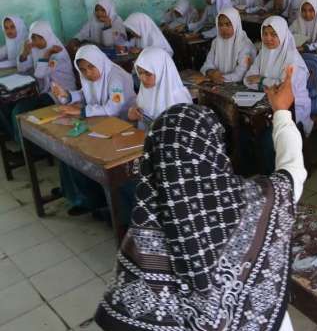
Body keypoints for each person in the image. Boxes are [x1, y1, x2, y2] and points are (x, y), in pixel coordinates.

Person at [95, 70, 308, 331]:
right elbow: (293, 170)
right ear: (215, 152)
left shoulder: (142, 256)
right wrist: (282, 114)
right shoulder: (253, 205)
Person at [51, 45, 136, 216]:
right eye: (82, 69)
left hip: (123, 128)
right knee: (69, 149)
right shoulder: (88, 77)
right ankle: (81, 196)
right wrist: (67, 96)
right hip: (100, 124)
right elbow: (84, 94)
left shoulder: (115, 76)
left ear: (99, 62)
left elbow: (113, 108)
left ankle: (92, 199)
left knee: (85, 152)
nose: (88, 73)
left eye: (91, 67)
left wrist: (81, 111)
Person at [8, 21, 77, 143]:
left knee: (19, 110)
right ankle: (21, 143)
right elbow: (23, 69)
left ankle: (30, 148)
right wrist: (25, 53)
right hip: (44, 90)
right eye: (33, 38)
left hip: (61, 93)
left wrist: (47, 54)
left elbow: (39, 73)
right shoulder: (36, 49)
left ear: (47, 36)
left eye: (40, 38)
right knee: (9, 105)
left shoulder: (57, 53)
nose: (35, 42)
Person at [127, 47, 192, 130]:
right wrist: (132, 115)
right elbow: (140, 121)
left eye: (148, 73)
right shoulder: (145, 90)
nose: (142, 78)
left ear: (161, 71)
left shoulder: (180, 99)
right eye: (139, 73)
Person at [200, 7, 256, 83]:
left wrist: (217, 78)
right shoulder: (216, 42)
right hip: (219, 83)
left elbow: (240, 74)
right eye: (220, 25)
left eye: (228, 24)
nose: (223, 28)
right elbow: (206, 65)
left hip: (239, 86)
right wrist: (211, 72)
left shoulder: (245, 45)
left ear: (236, 24)